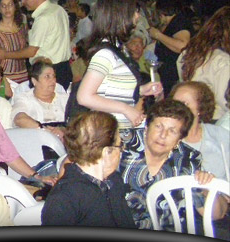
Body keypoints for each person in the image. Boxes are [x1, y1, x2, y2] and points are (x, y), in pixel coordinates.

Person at [119, 99, 223, 231]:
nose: (163, 135)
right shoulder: (121, 144)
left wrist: (208, 186)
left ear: (179, 139)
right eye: (158, 126)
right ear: (146, 127)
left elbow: (215, 215)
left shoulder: (187, 160)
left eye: (172, 131)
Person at [76, 0, 163, 129]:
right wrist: (126, 109)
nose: (138, 16)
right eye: (134, 11)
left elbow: (110, 89)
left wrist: (140, 90)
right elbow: (84, 97)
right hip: (107, 130)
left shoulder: (117, 49)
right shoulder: (105, 53)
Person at [42, 111, 136, 228]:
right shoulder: (64, 198)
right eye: (119, 146)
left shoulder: (113, 181)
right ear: (106, 152)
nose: (121, 151)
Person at [0, 0, 72, 89]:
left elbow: (31, 51)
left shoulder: (43, 18)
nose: (23, 2)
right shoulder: (59, 9)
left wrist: (5, 55)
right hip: (64, 68)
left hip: (47, 71)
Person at [177, 6, 230, 121]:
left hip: (189, 116)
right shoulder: (223, 61)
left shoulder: (189, 53)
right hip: (216, 120)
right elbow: (224, 101)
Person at [170, 81, 229, 180]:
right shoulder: (165, 139)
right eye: (175, 103)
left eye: (184, 103)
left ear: (200, 108)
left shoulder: (221, 136)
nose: (178, 108)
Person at [11, 60, 69, 138]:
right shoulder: (24, 98)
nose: (53, 80)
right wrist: (44, 131)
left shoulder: (65, 99)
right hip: (37, 140)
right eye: (47, 76)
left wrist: (63, 131)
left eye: (54, 76)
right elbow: (19, 119)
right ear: (34, 81)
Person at [149, 0, 192, 94]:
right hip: (169, 76)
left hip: (175, 77)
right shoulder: (175, 23)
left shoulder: (179, 22)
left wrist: (158, 35)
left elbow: (182, 46)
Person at [0, 0, 29, 84]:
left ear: (15, 7)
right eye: (3, 6)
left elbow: (27, 51)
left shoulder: (23, 28)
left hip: (23, 75)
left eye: (10, 5)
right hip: (3, 77)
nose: (7, 8)